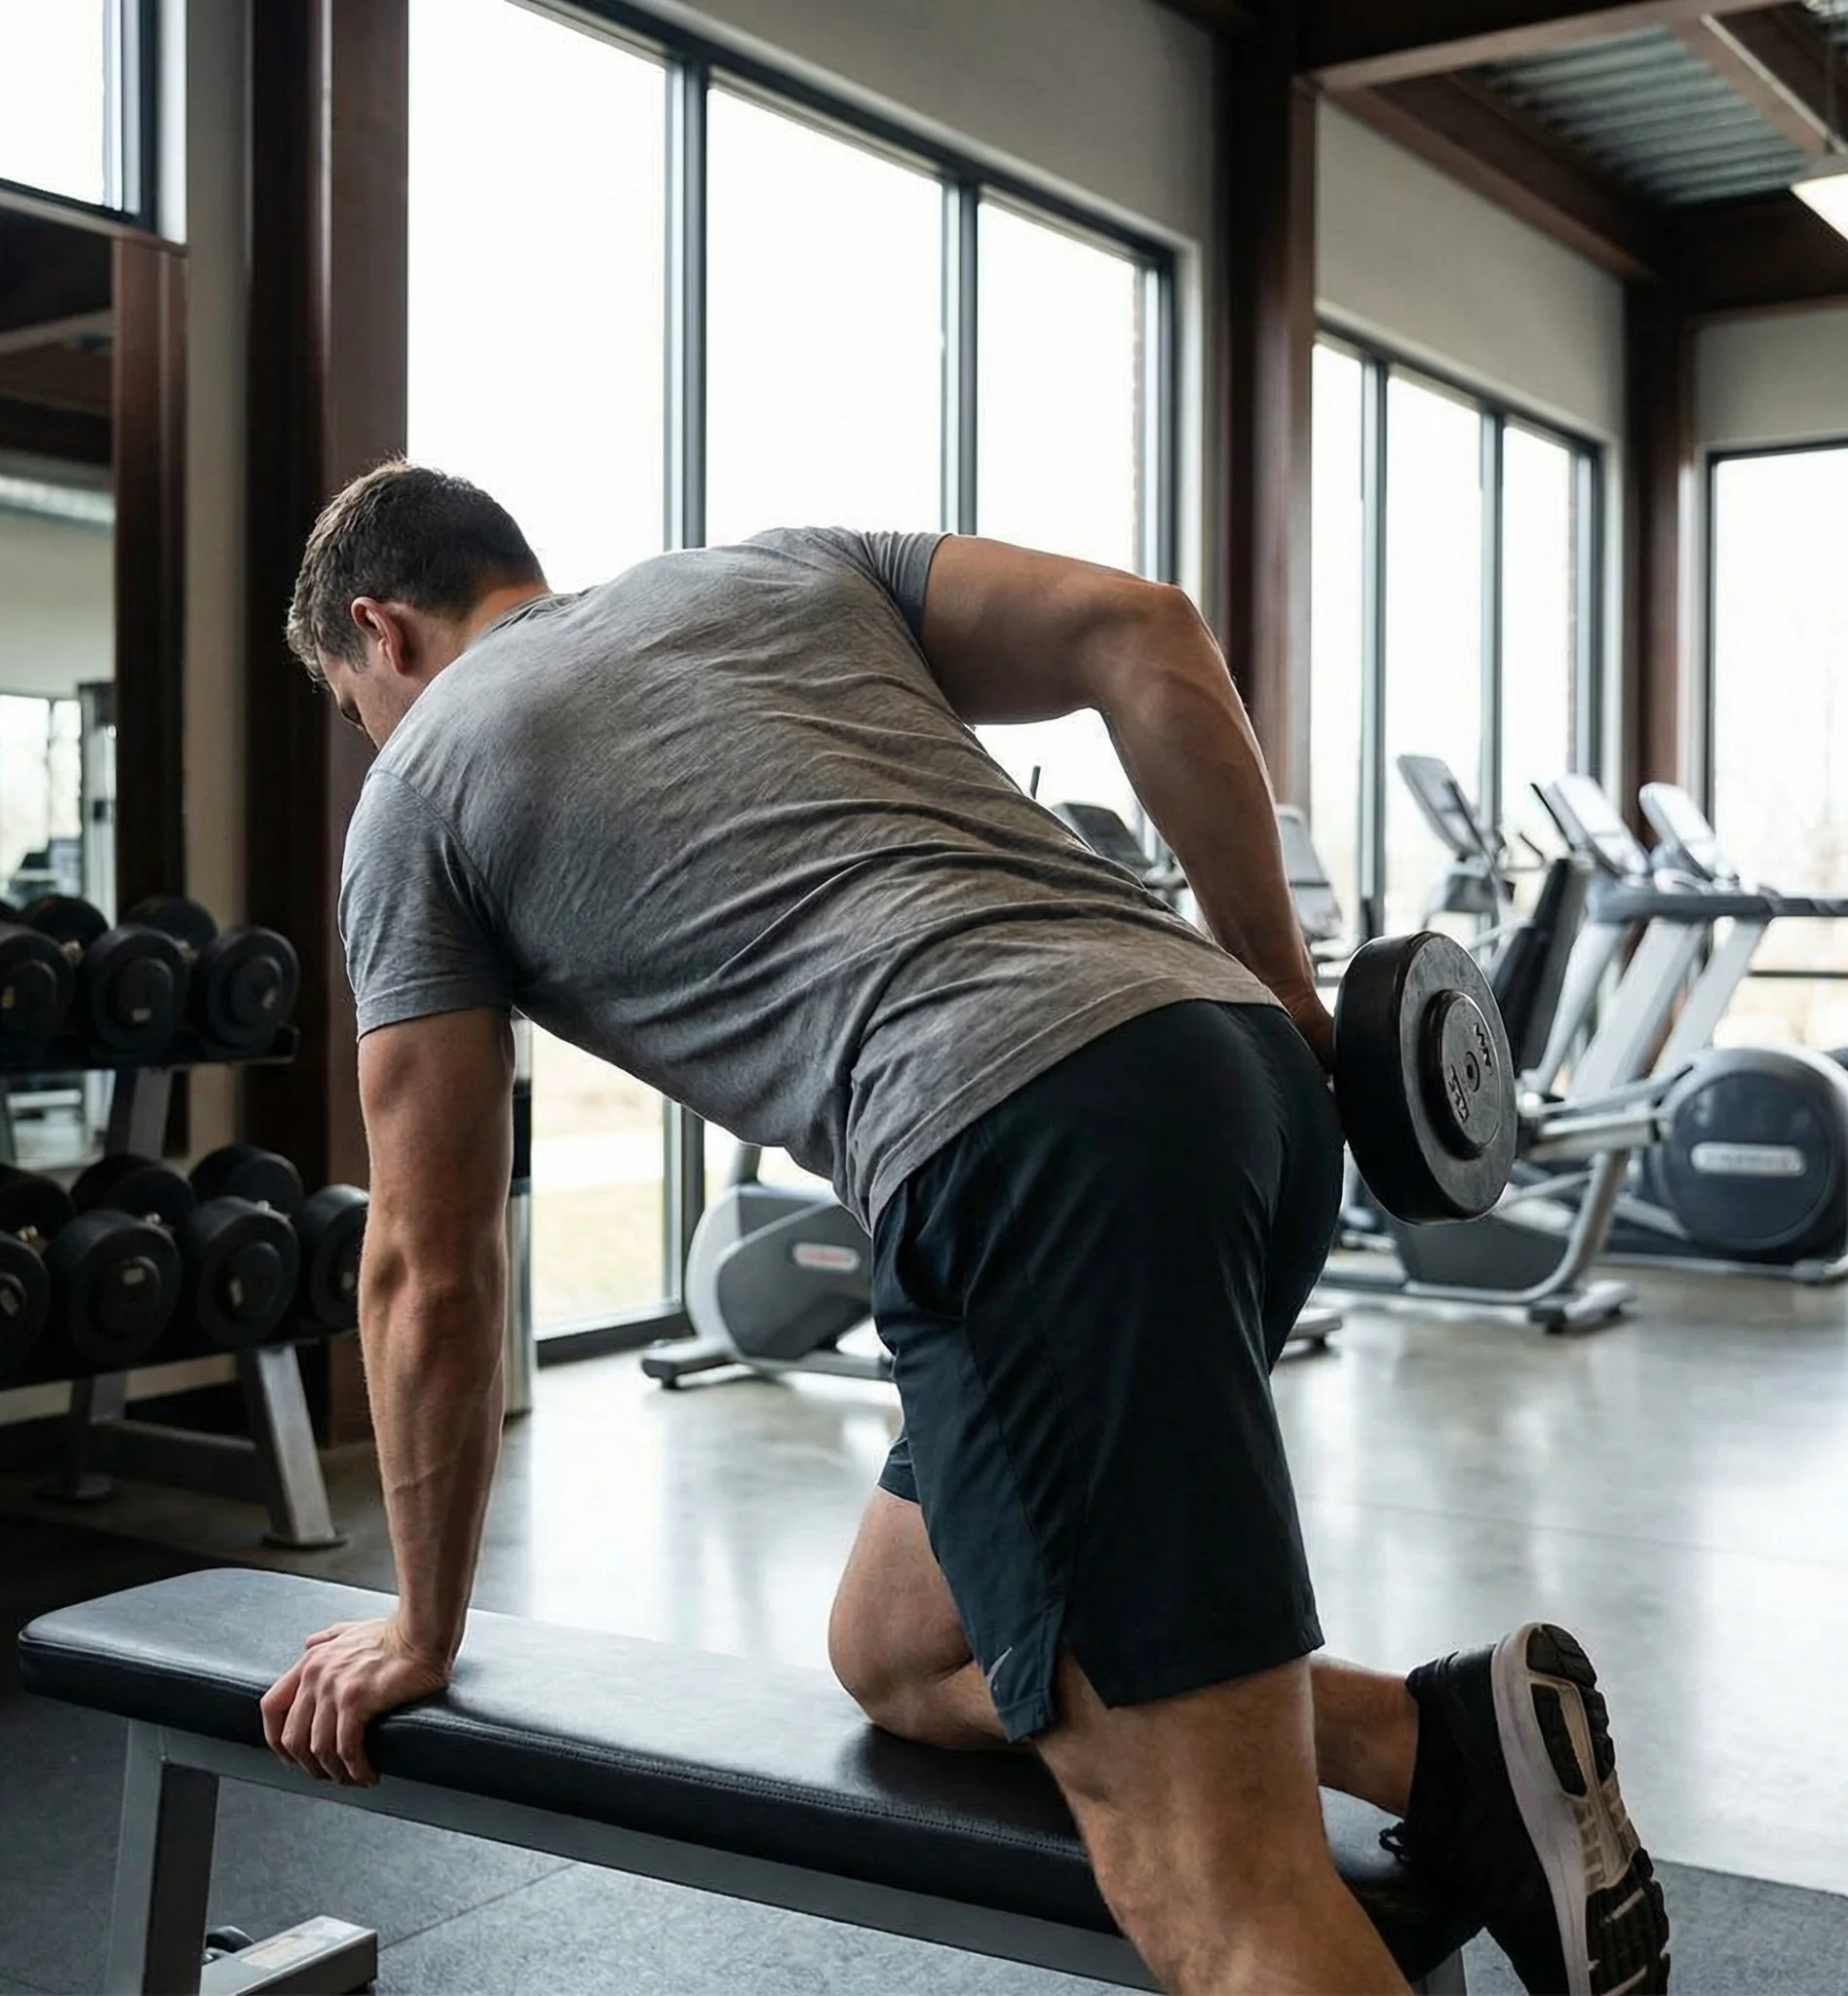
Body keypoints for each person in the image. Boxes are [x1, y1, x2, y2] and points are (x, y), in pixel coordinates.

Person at [260, 461, 1667, 1996]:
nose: (370, 737)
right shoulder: (780, 570)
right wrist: (1280, 984)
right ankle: (1444, 1743)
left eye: (349, 706)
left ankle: (1267, 1794)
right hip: (1246, 1084)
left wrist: (423, 1627)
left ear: (379, 631)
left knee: (1218, 1890)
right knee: (905, 1648)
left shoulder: (418, 787)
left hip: (1035, 1142)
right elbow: (1146, 626)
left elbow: (430, 1267)